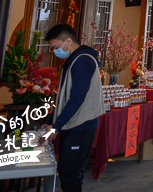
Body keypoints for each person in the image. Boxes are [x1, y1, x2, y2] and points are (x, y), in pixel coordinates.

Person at [44, 24, 103, 192]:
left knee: (70, 173)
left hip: (81, 125)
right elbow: (64, 98)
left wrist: (56, 126)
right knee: (69, 171)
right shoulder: (73, 60)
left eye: (56, 47)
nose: (55, 52)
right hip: (73, 123)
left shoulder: (83, 61)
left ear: (68, 41)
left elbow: (77, 99)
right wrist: (51, 120)